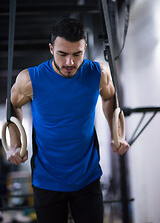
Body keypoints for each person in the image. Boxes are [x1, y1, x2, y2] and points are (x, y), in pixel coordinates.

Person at [6, 18, 130, 223]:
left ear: (85, 48)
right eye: (62, 54)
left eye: (77, 54)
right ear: (51, 49)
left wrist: (117, 134)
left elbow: (110, 97)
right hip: (46, 181)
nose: (69, 62)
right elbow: (13, 105)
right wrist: (15, 144)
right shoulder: (30, 80)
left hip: (87, 178)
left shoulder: (98, 74)